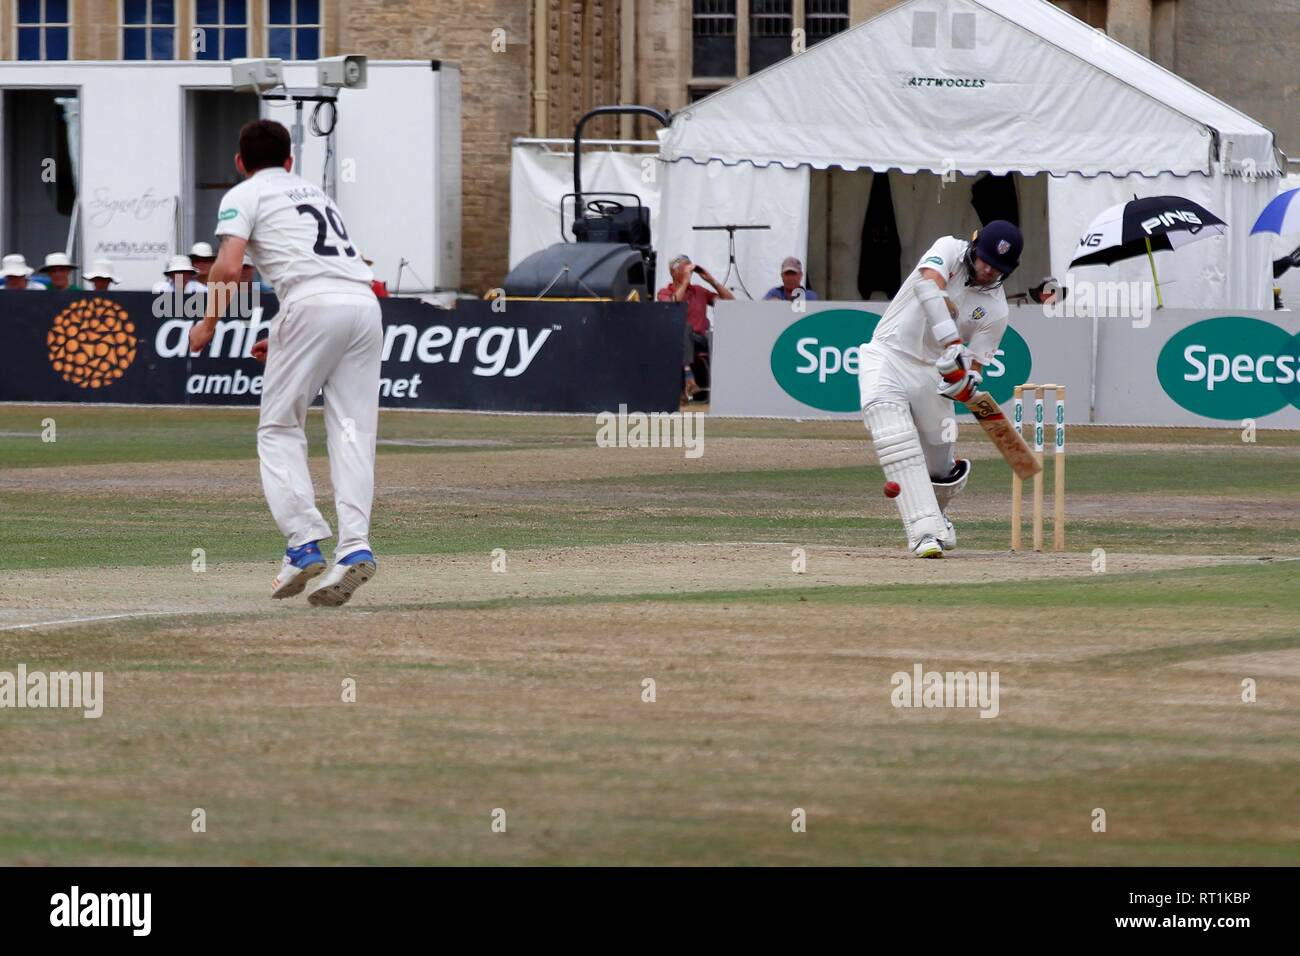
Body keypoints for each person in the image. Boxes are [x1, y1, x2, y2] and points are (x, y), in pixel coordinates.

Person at [188, 118, 380, 608]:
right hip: (362, 303)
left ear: (239, 163)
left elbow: (228, 268)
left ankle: (303, 544)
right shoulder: (316, 194)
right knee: (353, 430)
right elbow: (328, 266)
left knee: (278, 428)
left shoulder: (245, 193)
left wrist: (207, 325)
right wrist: (283, 336)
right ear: (290, 160)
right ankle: (355, 544)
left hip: (313, 305)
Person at [858, 220, 1023, 558]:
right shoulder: (948, 247)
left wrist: (963, 380)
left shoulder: (997, 311)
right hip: (888, 354)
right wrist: (949, 331)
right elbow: (927, 285)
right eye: (985, 260)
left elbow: (974, 369)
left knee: (940, 463)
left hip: (933, 375)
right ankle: (924, 534)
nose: (988, 270)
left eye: (998, 267)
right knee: (892, 432)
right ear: (975, 248)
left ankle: (939, 515)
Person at [656, 254, 733, 400]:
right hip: (673, 341)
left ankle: (688, 377)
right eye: (685, 267)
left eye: (690, 268)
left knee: (685, 329)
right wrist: (685, 282)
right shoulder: (664, 292)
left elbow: (730, 302)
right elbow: (672, 306)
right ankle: (688, 377)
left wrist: (711, 280)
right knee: (682, 330)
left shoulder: (699, 291)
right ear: (673, 272)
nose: (689, 272)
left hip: (699, 339)